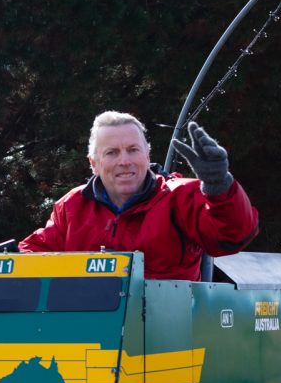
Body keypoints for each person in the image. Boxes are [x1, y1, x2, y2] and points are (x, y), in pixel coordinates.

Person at [19, 113, 260, 280]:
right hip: (88, 338)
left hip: (169, 340)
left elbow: (234, 236)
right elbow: (31, 255)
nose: (125, 161)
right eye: (112, 153)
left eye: (133, 150)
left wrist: (220, 185)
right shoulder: (72, 205)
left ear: (147, 154)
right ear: (94, 163)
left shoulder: (181, 196)